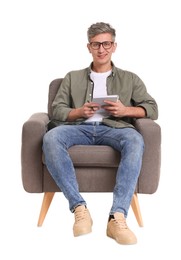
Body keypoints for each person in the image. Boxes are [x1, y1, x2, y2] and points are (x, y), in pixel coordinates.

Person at [43, 22, 158, 245]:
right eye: (96, 44)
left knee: (135, 139)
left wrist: (126, 110)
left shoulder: (130, 78)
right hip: (79, 128)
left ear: (114, 46)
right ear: (89, 47)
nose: (101, 49)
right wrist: (79, 111)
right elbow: (56, 109)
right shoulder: (72, 77)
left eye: (106, 43)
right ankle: (79, 207)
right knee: (51, 138)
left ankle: (117, 217)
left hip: (114, 128)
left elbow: (152, 108)